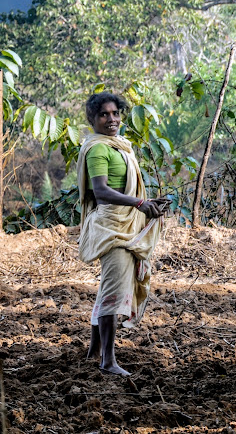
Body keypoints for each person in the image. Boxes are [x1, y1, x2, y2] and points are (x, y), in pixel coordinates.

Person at [77, 92, 168, 376]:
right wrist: (141, 203)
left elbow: (123, 191)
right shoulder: (98, 149)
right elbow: (102, 192)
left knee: (107, 290)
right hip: (112, 228)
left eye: (115, 113)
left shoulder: (120, 146)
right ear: (92, 119)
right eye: (104, 114)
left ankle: (94, 351)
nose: (112, 119)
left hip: (125, 223)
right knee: (112, 296)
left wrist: (148, 203)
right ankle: (108, 361)